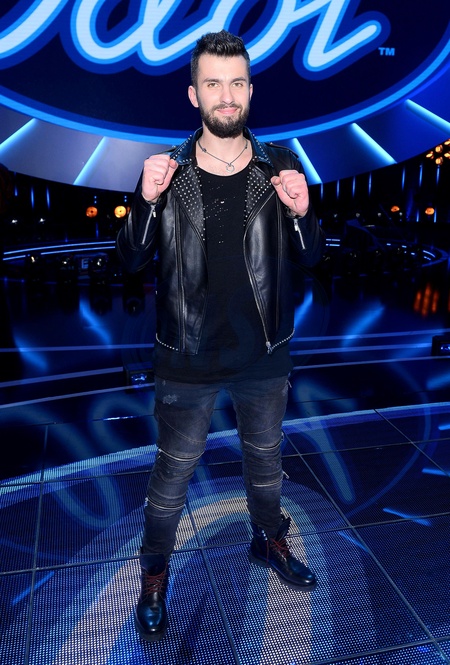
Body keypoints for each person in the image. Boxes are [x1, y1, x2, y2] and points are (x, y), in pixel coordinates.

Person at [116, 30, 325, 642]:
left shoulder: (279, 164)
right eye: (213, 83)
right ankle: (155, 572)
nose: (226, 96)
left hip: (264, 352)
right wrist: (144, 201)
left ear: (250, 90)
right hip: (186, 357)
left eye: (237, 83)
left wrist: (304, 213)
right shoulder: (168, 171)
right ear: (194, 94)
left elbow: (311, 257)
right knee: (171, 479)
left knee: (266, 466)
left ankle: (270, 539)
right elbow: (129, 260)